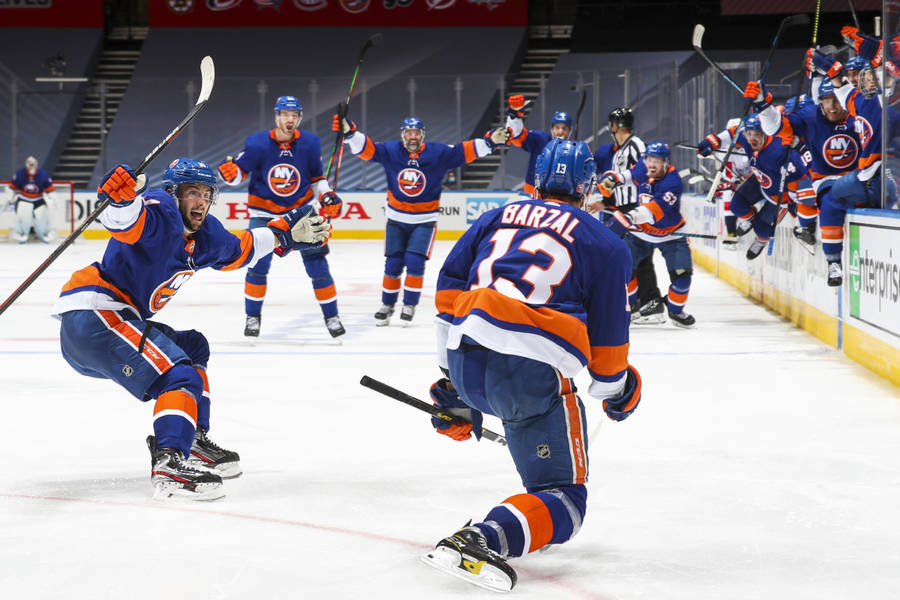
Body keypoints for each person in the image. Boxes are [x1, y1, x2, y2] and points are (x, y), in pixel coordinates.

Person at [421, 138, 640, 592]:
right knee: (567, 500)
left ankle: (524, 521)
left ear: (537, 181)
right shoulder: (605, 242)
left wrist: (453, 389)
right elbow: (608, 345)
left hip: (465, 357)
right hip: (530, 374)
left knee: (546, 495)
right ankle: (481, 538)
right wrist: (618, 391)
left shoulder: (495, 216)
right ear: (587, 187)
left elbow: (447, 293)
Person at [51, 158, 331, 500]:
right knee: (179, 374)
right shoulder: (161, 209)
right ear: (173, 193)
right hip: (96, 314)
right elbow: (127, 223)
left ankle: (191, 437)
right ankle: (169, 460)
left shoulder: (206, 234)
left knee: (194, 347)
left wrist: (281, 235)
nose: (201, 201)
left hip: (113, 320)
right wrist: (122, 199)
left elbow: (240, 249)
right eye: (192, 192)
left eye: (206, 194)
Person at [333, 113, 506, 326]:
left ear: (422, 135)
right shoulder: (392, 151)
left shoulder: (437, 153)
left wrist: (489, 142)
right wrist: (351, 133)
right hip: (396, 220)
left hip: (424, 221)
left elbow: (462, 152)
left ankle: (409, 305)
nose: (412, 136)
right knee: (393, 264)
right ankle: (387, 305)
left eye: (416, 133)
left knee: (415, 262)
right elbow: (369, 150)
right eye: (409, 133)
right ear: (403, 135)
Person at [217, 95, 346, 338]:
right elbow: (238, 174)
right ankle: (253, 317)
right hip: (264, 215)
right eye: (285, 114)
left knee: (318, 266)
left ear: (299, 118)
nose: (290, 119)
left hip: (301, 213)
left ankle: (332, 316)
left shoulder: (310, 143)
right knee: (257, 265)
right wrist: (229, 175)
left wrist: (327, 195)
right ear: (277, 117)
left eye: (294, 115)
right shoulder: (257, 143)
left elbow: (317, 179)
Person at [599, 141, 696, 326]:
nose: (651, 164)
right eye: (649, 159)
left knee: (683, 279)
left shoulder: (673, 182)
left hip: (671, 236)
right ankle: (630, 307)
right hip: (640, 234)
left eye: (656, 161)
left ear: (665, 162)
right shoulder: (644, 168)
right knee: (624, 270)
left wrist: (629, 217)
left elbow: (653, 210)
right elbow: (628, 176)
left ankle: (675, 311)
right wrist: (613, 178)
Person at [697, 114, 816, 259]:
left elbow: (799, 175)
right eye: (749, 134)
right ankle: (750, 219)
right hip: (760, 179)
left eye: (757, 134)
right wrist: (711, 142)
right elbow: (732, 133)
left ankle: (761, 240)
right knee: (736, 206)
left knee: (762, 229)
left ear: (766, 133)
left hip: (780, 195)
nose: (752, 139)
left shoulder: (779, 150)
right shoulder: (745, 137)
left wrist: (792, 199)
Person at [586, 107, 664, 323]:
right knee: (629, 258)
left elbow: (647, 171)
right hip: (623, 209)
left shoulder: (636, 144)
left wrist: (643, 205)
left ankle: (652, 304)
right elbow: (620, 186)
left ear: (615, 125)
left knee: (640, 258)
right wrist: (605, 203)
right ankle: (639, 302)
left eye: (612, 124)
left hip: (635, 208)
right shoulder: (620, 150)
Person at [503, 94, 573, 197]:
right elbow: (517, 136)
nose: (560, 131)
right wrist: (514, 117)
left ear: (570, 131)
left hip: (560, 196)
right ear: (552, 129)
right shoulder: (540, 139)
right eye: (557, 127)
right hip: (533, 193)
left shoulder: (575, 150)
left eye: (564, 128)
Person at [5, 156, 57, 243]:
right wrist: (10, 197)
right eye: (30, 164)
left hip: (38, 199)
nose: (31, 166)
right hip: (23, 199)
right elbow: (12, 187)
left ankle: (44, 233)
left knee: (41, 217)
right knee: (24, 217)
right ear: (26, 164)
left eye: (33, 164)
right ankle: (22, 234)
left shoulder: (43, 174)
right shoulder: (20, 173)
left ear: (36, 164)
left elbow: (50, 189)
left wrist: (53, 198)